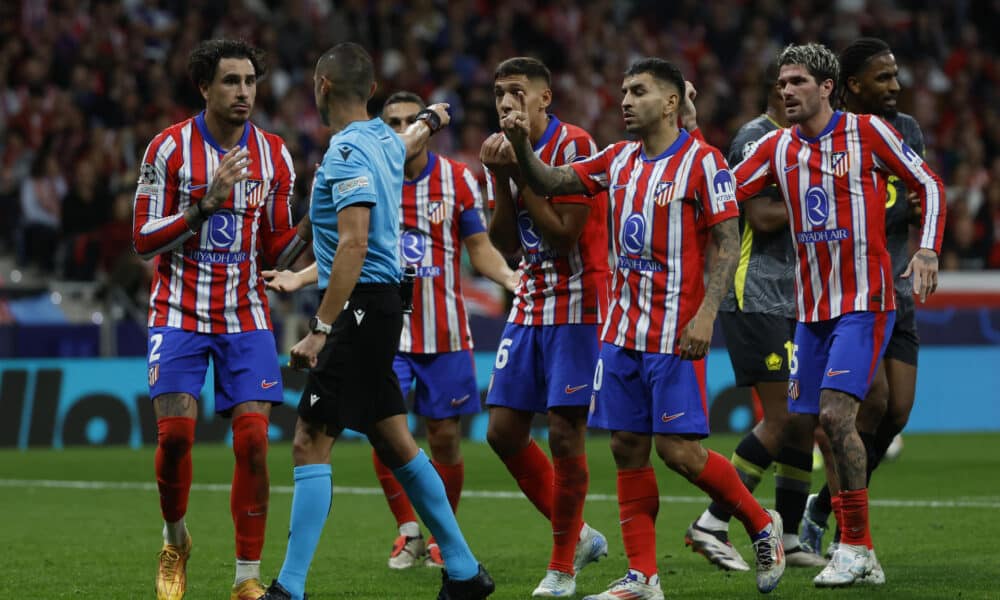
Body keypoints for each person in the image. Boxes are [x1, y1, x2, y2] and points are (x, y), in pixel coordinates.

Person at [487, 57, 787, 599]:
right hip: (620, 330)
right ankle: (643, 578)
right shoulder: (617, 158)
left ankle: (761, 523)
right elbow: (555, 180)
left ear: (671, 102)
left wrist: (705, 315)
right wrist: (521, 151)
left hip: (674, 331)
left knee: (680, 453)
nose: (625, 100)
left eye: (639, 91)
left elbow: (725, 242)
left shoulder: (704, 162)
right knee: (626, 447)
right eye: (623, 90)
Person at [259, 43, 493, 600]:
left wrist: (319, 327)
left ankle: (289, 588)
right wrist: (436, 114)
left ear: (320, 86)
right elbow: (411, 140)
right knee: (396, 441)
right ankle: (464, 573)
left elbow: (355, 242)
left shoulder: (344, 154)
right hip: (386, 303)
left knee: (310, 438)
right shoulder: (385, 141)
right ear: (370, 92)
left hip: (362, 306)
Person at [732, 43, 945, 588]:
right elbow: (724, 191)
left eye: (798, 81)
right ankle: (861, 549)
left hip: (865, 303)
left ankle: (849, 544)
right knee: (814, 424)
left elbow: (930, 185)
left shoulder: (867, 134)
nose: (786, 91)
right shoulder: (776, 147)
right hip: (810, 311)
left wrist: (927, 249)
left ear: (827, 87)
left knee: (834, 415)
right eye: (781, 83)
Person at [132, 39, 311, 600]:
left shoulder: (276, 156)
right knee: (177, 439)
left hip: (244, 313)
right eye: (231, 81)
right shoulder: (168, 150)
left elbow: (274, 252)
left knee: (255, 441)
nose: (244, 92)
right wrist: (205, 204)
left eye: (251, 81)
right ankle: (174, 539)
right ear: (204, 87)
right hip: (178, 311)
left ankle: (245, 577)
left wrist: (316, 219)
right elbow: (141, 239)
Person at [685, 63, 827, 571]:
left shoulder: (798, 142)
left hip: (793, 299)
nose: (794, 94)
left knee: (802, 419)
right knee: (784, 416)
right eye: (788, 86)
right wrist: (824, 197)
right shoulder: (756, 137)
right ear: (776, 90)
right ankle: (714, 519)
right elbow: (762, 216)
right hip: (753, 293)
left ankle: (788, 536)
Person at [481, 56, 610, 598]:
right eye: (499, 94)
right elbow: (506, 242)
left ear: (543, 98)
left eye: (516, 92)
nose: (506, 102)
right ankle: (579, 535)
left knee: (563, 432)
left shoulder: (575, 144)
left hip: (580, 302)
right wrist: (498, 175)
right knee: (503, 431)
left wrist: (519, 169)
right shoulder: (503, 151)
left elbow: (562, 234)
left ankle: (562, 565)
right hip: (531, 300)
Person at [800, 38, 929, 570]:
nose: (895, 86)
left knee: (895, 413)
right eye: (883, 78)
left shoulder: (905, 132)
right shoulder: (825, 138)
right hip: (853, 293)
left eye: (896, 75)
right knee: (854, 409)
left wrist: (922, 227)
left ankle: (824, 507)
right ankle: (850, 536)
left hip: (899, 288)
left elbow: (918, 194)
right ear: (852, 86)